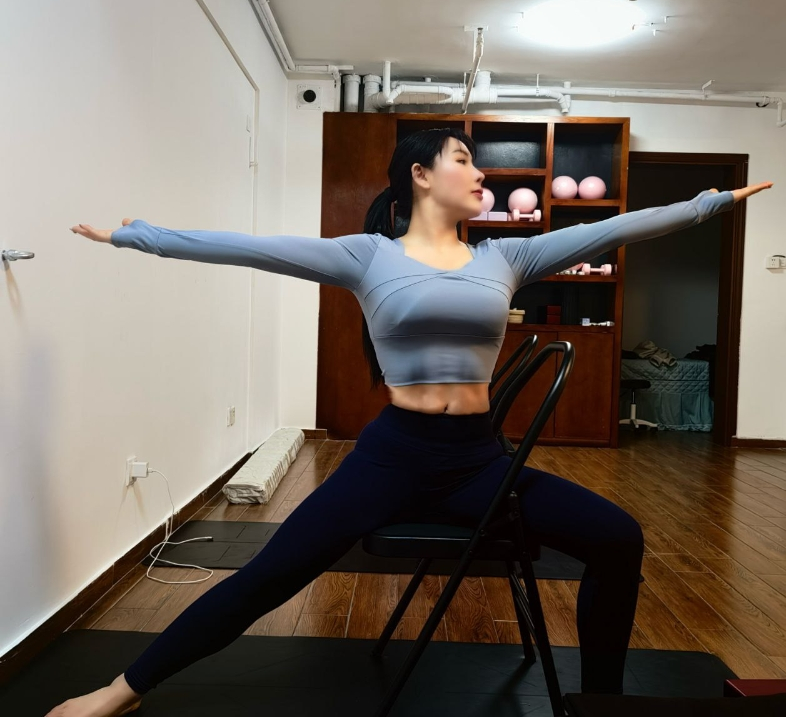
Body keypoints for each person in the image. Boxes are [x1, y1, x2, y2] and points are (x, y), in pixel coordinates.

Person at [50, 128, 772, 716]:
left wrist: (711, 203)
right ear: (420, 175)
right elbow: (248, 248)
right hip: (392, 457)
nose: (481, 173)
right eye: (464, 159)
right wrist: (138, 237)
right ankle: (122, 691)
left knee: (619, 538)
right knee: (268, 575)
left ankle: (601, 705)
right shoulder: (367, 257)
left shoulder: (508, 255)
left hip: (478, 463)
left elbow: (618, 226)